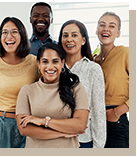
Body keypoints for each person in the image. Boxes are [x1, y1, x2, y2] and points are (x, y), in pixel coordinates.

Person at [16, 43, 89, 148]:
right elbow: (24, 129)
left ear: (62, 63)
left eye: (55, 61)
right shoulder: (27, 91)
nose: (50, 67)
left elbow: (80, 125)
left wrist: (43, 121)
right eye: (45, 62)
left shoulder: (76, 88)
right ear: (38, 64)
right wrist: (62, 133)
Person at [0, 17, 40, 148]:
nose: (9, 36)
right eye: (4, 32)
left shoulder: (34, 62)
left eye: (14, 31)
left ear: (22, 35)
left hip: (27, 125)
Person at [58, 20, 106, 148]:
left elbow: (98, 112)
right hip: (55, 138)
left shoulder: (93, 69)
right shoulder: (53, 68)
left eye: (74, 35)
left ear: (83, 40)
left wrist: (98, 146)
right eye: (65, 35)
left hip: (83, 140)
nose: (69, 39)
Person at [94, 12, 129, 148]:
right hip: (95, 122)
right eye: (102, 25)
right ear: (97, 30)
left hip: (116, 122)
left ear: (118, 33)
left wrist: (117, 112)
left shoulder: (126, 53)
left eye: (112, 26)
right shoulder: (93, 58)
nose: (106, 29)